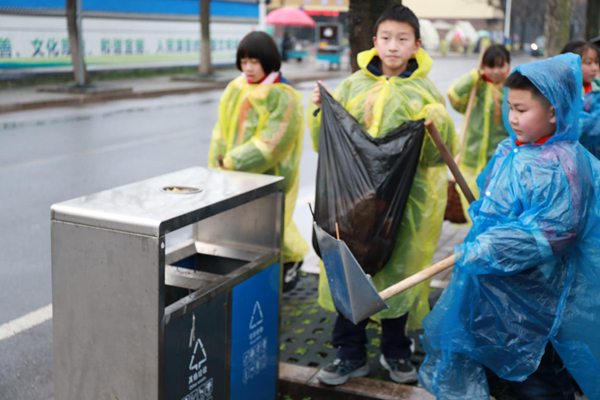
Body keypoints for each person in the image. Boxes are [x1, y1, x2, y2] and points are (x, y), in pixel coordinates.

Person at [419, 53, 600, 400]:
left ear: (553, 112)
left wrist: (493, 246)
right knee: (500, 372)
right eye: (510, 107)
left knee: (536, 379)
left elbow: (558, 231)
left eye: (522, 109)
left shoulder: (564, 164)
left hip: (537, 300)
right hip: (497, 290)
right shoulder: (511, 149)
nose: (512, 117)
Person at [307, 5, 459, 386]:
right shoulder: (352, 86)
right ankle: (350, 354)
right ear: (374, 42)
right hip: (353, 206)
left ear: (417, 45)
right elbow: (325, 144)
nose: (393, 46)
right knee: (349, 273)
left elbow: (436, 157)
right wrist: (318, 112)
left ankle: (396, 352)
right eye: (386, 38)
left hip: (404, 209)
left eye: (402, 39)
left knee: (400, 275)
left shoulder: (425, 93)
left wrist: (438, 123)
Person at [208, 31, 309, 291]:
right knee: (248, 229)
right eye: (243, 62)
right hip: (232, 173)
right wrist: (218, 163)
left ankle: (291, 261)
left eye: (254, 61)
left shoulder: (283, 95)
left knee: (271, 226)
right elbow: (221, 129)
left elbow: (271, 143)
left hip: (268, 176)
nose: (248, 68)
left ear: (268, 61)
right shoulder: (236, 87)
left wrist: (230, 162)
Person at [447, 44, 511, 221]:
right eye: (490, 66)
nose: (496, 71)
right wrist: (473, 75)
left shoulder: (513, 89)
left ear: (508, 65)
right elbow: (454, 94)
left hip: (500, 161)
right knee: (472, 207)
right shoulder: (477, 86)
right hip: (471, 159)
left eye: (500, 66)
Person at [561, 40, 600, 159]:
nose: (595, 68)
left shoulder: (596, 90)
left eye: (596, 62)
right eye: (588, 63)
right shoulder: (563, 92)